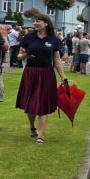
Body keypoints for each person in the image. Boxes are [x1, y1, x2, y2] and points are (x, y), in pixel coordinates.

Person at [15, 14, 68, 144]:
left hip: (46, 74)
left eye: (38, 21)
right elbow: (18, 57)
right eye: (34, 21)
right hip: (31, 73)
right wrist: (26, 55)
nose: (35, 23)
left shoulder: (54, 39)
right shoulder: (28, 38)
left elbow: (56, 60)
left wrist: (63, 77)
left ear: (46, 23)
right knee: (31, 104)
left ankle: (41, 135)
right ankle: (32, 126)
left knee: (42, 105)